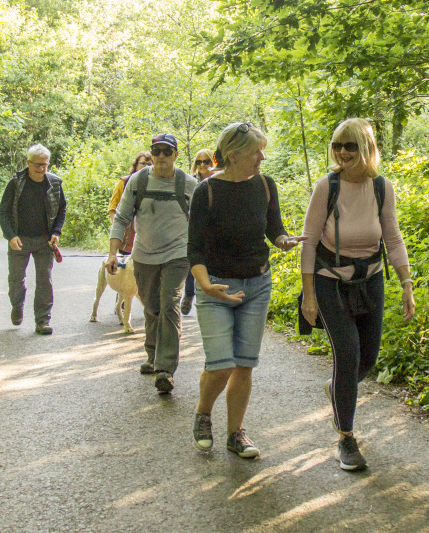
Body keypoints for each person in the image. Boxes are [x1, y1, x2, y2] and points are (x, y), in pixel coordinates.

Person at [300, 118, 415, 471]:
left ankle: (338, 388)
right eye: (337, 145)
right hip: (329, 280)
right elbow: (309, 240)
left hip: (371, 279)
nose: (343, 152)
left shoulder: (382, 187)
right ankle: (346, 439)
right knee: (348, 355)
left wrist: (406, 285)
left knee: (369, 358)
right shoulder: (326, 187)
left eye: (350, 145)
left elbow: (392, 238)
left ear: (366, 147)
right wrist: (308, 295)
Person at [188, 122, 305, 458]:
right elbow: (194, 248)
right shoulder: (205, 192)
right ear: (235, 154)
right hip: (216, 288)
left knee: (244, 364)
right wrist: (206, 284)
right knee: (221, 364)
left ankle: (235, 434)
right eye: (256, 151)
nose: (262, 157)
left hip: (257, 285)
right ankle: (203, 414)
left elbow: (274, 229)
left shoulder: (265, 185)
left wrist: (283, 241)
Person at [106, 134, 197, 392]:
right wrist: (113, 253)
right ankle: (153, 354)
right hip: (144, 255)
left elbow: (204, 221)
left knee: (169, 303)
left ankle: (165, 369)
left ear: (176, 155)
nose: (160, 156)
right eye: (156, 151)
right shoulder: (138, 181)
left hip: (178, 254)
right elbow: (122, 217)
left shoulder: (188, 184)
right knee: (152, 306)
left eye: (167, 151)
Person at [0, 143, 67, 335]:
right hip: (19, 240)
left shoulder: (54, 183)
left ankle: (42, 321)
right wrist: (10, 236)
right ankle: (17, 305)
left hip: (45, 241)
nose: (41, 169)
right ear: (28, 163)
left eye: (45, 165)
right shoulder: (15, 183)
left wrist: (56, 232)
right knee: (16, 280)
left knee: (45, 280)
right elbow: (3, 212)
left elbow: (62, 209)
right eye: (37, 165)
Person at [180, 149, 216, 315]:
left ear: (212, 162)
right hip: (194, 227)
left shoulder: (218, 180)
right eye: (199, 162)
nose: (202, 165)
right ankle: (189, 294)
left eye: (206, 161)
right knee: (193, 262)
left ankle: (210, 297)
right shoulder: (191, 182)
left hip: (214, 229)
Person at [108, 151, 152, 223]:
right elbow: (112, 208)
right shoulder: (124, 181)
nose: (146, 167)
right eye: (143, 163)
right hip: (126, 230)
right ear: (136, 165)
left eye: (149, 164)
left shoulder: (155, 185)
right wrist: (117, 229)